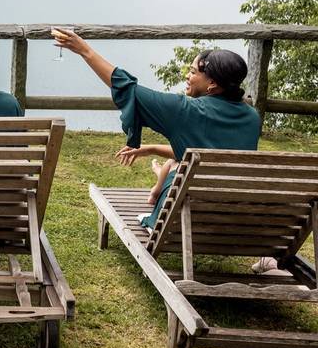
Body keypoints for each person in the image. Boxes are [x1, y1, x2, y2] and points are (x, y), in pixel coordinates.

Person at [52, 28, 260, 228]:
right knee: (175, 170)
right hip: (229, 217)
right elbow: (210, 153)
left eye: (193, 72)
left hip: (184, 216)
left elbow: (127, 89)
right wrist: (151, 149)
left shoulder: (185, 110)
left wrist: (84, 50)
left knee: (173, 176)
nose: (188, 76)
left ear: (212, 83)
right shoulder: (252, 117)